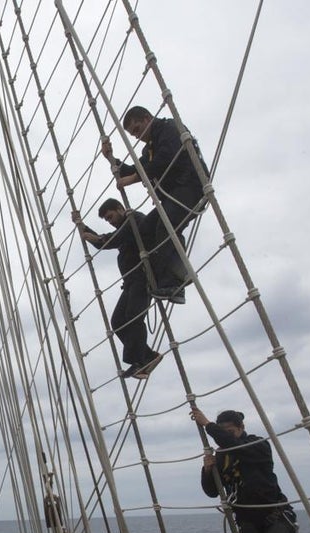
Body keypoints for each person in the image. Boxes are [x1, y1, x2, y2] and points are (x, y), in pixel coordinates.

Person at [101, 105, 208, 302]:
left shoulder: (169, 129)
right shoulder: (149, 148)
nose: (137, 136)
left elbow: (164, 160)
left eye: (137, 129)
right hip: (171, 196)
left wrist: (132, 179)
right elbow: (137, 168)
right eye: (133, 134)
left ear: (148, 118)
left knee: (165, 228)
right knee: (146, 229)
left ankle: (177, 279)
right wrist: (110, 158)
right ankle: (169, 275)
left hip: (189, 188)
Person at [73, 201, 162, 379]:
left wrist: (99, 239)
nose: (110, 221)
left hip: (143, 276)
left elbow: (113, 240)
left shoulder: (134, 220)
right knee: (118, 322)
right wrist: (81, 225)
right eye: (107, 220)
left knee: (133, 317)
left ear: (120, 209)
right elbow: (106, 242)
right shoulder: (124, 227)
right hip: (131, 281)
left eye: (111, 217)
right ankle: (148, 356)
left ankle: (139, 362)